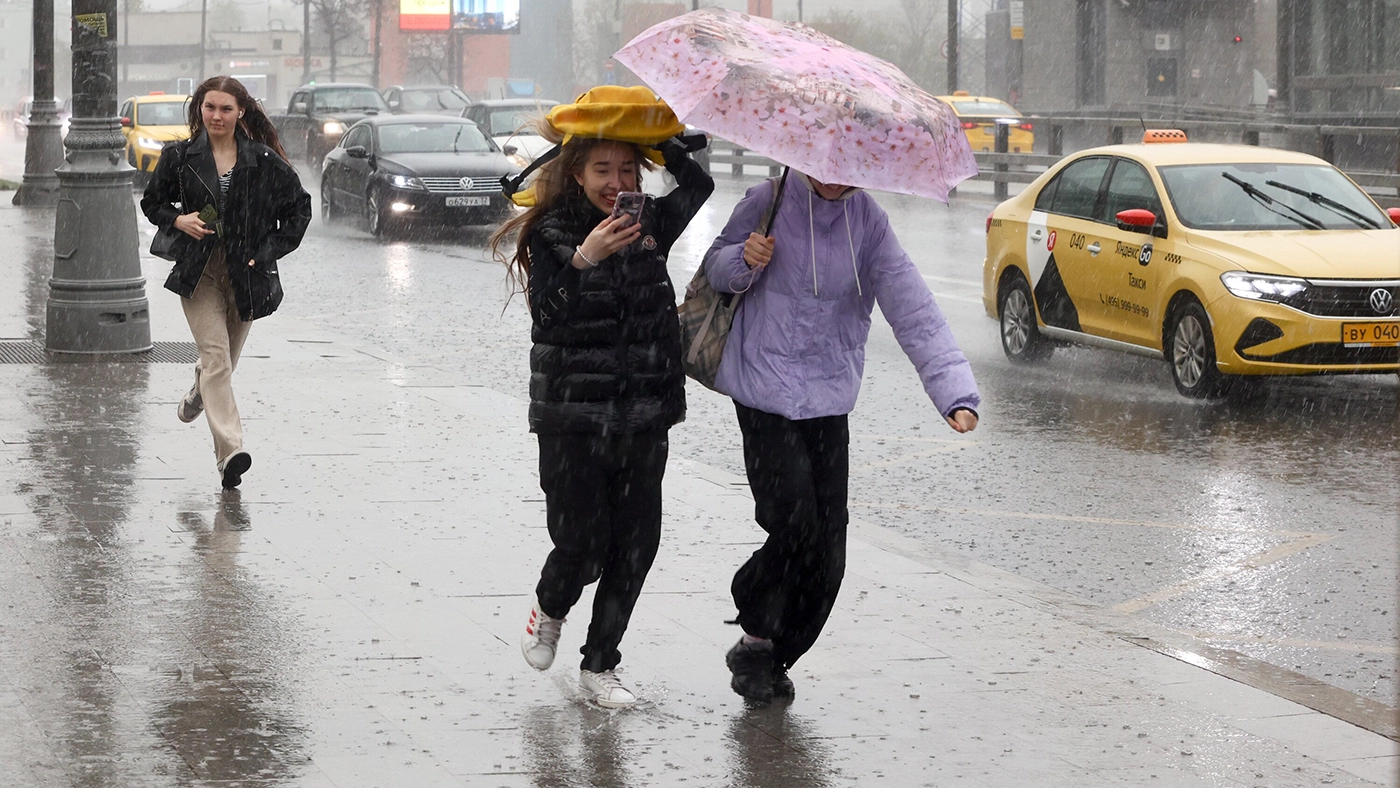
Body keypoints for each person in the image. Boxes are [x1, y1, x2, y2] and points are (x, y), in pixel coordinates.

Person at [702, 171, 980, 703]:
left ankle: (768, 653)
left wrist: (954, 390)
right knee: (794, 522)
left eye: (846, 172)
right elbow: (714, 266)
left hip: (829, 399)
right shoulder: (770, 199)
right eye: (825, 167)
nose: (833, 180)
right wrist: (744, 259)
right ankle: (756, 620)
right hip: (764, 390)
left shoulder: (869, 223)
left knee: (830, 554)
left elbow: (913, 308)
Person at [489, 87, 714, 708]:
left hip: (645, 411)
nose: (614, 183)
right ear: (577, 173)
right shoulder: (554, 230)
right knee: (582, 542)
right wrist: (585, 259)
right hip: (572, 416)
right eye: (601, 170)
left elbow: (698, 188)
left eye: (625, 169)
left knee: (637, 543)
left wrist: (662, 144)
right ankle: (550, 605)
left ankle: (601, 665)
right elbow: (550, 319)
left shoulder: (649, 224)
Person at [141, 76, 311, 488]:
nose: (217, 116)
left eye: (226, 109)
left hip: (246, 273)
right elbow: (152, 202)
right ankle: (230, 452)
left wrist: (266, 250)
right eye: (210, 107)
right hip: (198, 271)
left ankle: (199, 394)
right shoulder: (179, 157)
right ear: (199, 109)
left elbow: (299, 211)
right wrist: (178, 218)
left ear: (241, 112)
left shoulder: (263, 160)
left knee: (223, 365)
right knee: (217, 360)